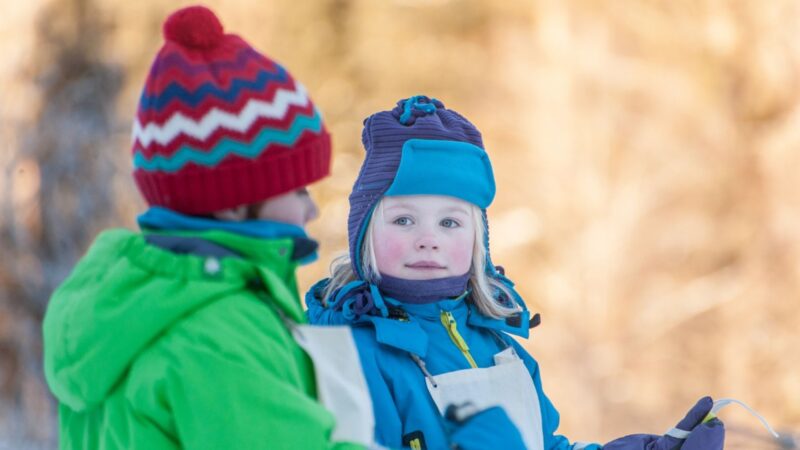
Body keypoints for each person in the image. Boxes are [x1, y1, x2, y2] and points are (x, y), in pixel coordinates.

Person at [306, 95, 726, 450]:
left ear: (477, 242)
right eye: (403, 220)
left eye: (449, 222)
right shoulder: (349, 352)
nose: (427, 239)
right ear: (363, 236)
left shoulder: (501, 346)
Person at [42, 5, 367, 449]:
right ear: (233, 206)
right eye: (296, 191)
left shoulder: (135, 301)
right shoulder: (214, 329)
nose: (310, 211)